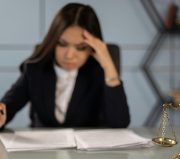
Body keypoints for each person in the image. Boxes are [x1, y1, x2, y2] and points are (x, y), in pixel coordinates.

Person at [0, 3, 130, 129]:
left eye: (81, 47)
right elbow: (7, 108)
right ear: (53, 41)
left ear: (92, 48)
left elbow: (119, 124)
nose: (69, 55)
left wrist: (108, 65)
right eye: (62, 44)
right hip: (44, 149)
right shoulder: (36, 69)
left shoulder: (99, 72)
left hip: (87, 150)